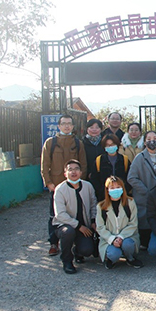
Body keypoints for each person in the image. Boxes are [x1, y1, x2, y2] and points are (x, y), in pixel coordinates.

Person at [41, 114, 87, 256]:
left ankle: (75, 241)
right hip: (56, 185)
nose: (67, 126)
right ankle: (53, 243)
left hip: (75, 185)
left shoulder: (78, 143)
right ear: (59, 126)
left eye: (69, 124)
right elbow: (45, 165)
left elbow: (83, 164)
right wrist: (49, 183)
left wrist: (80, 182)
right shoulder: (51, 142)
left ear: (73, 126)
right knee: (54, 214)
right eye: (64, 123)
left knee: (76, 212)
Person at [52, 159, 96, 274]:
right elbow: (60, 214)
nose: (73, 172)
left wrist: (93, 221)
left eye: (76, 169)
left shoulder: (88, 186)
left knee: (87, 250)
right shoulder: (60, 189)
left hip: (84, 227)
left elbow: (93, 205)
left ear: (81, 172)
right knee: (68, 232)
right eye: (70, 169)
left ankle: (77, 251)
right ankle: (67, 261)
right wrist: (78, 226)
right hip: (65, 226)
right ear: (65, 173)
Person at [96, 176, 143, 269]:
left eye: (118, 187)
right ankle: (111, 259)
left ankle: (130, 258)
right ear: (107, 190)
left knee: (128, 244)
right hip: (109, 239)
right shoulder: (101, 206)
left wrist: (121, 237)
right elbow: (100, 227)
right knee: (114, 254)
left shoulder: (130, 202)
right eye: (112, 188)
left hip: (127, 237)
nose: (115, 190)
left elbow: (133, 223)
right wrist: (112, 239)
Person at [127, 131, 156, 249]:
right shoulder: (139, 158)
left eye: (155, 138)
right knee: (144, 220)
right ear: (145, 142)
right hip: (143, 196)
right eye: (149, 138)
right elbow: (131, 177)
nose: (152, 141)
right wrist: (145, 191)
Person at [95, 134, 131, 201]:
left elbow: (130, 177)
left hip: (122, 195)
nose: (110, 147)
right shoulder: (99, 160)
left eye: (112, 144)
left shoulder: (124, 159)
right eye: (108, 145)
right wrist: (103, 192)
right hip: (104, 197)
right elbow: (95, 179)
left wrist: (123, 190)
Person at [82, 118, 103, 198]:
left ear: (101, 129)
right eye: (91, 127)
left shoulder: (104, 142)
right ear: (87, 129)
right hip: (87, 176)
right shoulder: (82, 143)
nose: (94, 130)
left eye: (97, 127)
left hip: (102, 176)